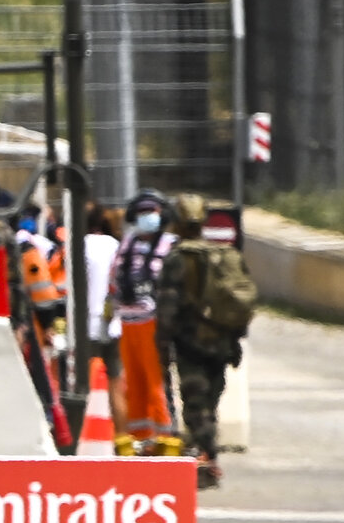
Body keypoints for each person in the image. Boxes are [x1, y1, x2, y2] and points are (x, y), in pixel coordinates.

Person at [162, 193, 257, 486]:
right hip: (222, 343)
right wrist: (236, 339)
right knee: (211, 402)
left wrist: (162, 341)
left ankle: (207, 457)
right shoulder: (226, 255)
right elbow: (242, 301)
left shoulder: (178, 259)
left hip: (192, 343)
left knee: (195, 405)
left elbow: (167, 307)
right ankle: (207, 455)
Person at [110, 190, 181, 456]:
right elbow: (114, 279)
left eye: (151, 212)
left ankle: (166, 437)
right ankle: (140, 438)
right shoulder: (127, 245)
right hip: (128, 323)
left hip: (154, 323)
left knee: (156, 383)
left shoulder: (171, 245)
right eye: (141, 213)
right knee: (134, 382)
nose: (146, 218)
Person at [81, 204, 125, 438]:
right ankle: (122, 440)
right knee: (115, 384)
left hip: (84, 326)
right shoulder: (115, 246)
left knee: (80, 385)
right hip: (113, 324)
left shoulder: (78, 246)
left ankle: (79, 439)